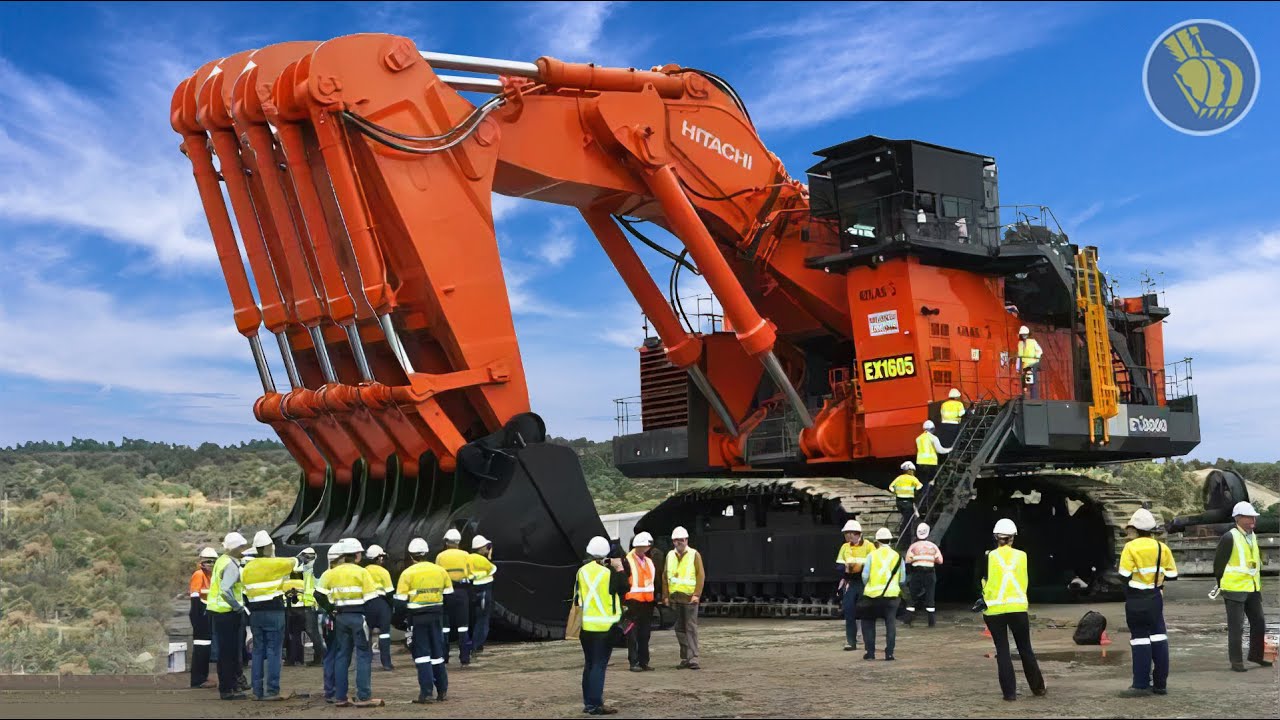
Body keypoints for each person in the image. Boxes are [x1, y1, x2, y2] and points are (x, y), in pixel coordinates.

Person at [980, 518, 1046, 701]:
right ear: (1013, 538)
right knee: (1025, 649)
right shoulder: (1022, 556)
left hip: (994, 610)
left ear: (995, 537)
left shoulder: (989, 556)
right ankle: (1038, 688)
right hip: (1017, 607)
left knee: (1002, 651)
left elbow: (983, 580)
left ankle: (1009, 694)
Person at [315, 538, 382, 707]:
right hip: (359, 617)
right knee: (363, 656)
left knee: (341, 656)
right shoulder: (362, 573)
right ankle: (364, 696)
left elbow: (318, 595)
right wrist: (373, 622)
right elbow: (372, 601)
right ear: (357, 555)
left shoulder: (332, 573)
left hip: (340, 618)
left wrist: (331, 609)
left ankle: (340, 697)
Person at [1117, 508, 1178, 697]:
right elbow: (1172, 575)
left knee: (1140, 640)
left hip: (1136, 599)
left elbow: (1124, 575)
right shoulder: (1162, 548)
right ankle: (1160, 684)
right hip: (1155, 597)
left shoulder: (1130, 547)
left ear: (1134, 528)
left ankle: (1140, 684)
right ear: (1152, 529)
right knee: (1159, 638)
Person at [242, 530, 305, 701]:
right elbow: (299, 560)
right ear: (269, 547)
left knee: (257, 651)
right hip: (274, 613)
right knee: (274, 652)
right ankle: (272, 690)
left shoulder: (247, 568)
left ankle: (257, 690)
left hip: (255, 614)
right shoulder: (276, 564)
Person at [1215, 501, 1272, 672]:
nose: (1253, 520)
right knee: (1236, 626)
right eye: (1249, 517)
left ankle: (1256, 656)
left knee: (1259, 622)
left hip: (1252, 588)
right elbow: (1218, 565)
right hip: (1234, 589)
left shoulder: (1252, 535)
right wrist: (1222, 585)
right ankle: (1236, 661)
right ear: (1238, 518)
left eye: (1254, 517)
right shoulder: (1229, 537)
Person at [395, 537, 453, 704]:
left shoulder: (407, 574)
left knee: (422, 656)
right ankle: (442, 691)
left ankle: (426, 693)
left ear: (411, 555)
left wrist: (400, 621)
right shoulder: (440, 571)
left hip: (417, 618)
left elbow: (399, 603)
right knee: (437, 654)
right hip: (436, 616)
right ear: (427, 553)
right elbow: (449, 597)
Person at [577, 536, 627, 715]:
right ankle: (595, 705)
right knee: (599, 665)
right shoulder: (609, 573)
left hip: (587, 627)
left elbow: (578, 597)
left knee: (589, 665)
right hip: (605, 628)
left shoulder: (581, 571)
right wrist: (619, 567)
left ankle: (588, 703)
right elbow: (624, 588)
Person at [207, 532, 249, 700]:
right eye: (241, 547)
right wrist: (237, 606)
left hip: (219, 612)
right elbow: (226, 590)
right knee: (229, 654)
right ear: (235, 547)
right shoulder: (231, 564)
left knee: (225, 653)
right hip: (228, 613)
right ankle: (228, 689)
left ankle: (228, 687)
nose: (243, 550)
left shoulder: (221, 561)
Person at [860, 527, 905, 661]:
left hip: (872, 596)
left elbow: (865, 576)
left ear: (876, 542)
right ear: (890, 541)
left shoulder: (871, 556)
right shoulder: (897, 556)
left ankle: (870, 652)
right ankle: (889, 653)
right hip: (892, 597)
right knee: (890, 624)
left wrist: (870, 586)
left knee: (868, 622)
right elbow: (902, 579)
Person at [664, 526, 705, 670]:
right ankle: (685, 658)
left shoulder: (694, 555)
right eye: (675, 541)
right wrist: (666, 596)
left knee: (691, 628)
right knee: (680, 629)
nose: (677, 543)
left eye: (680, 540)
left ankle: (693, 658)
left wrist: (696, 595)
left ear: (686, 540)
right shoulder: (670, 555)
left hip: (689, 599)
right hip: (676, 598)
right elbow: (665, 576)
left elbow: (700, 575)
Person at [436, 528, 474, 665]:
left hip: (446, 593)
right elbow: (471, 575)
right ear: (459, 542)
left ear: (446, 542)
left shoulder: (440, 556)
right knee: (463, 626)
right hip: (462, 592)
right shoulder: (466, 555)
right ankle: (464, 658)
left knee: (445, 626)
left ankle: (444, 656)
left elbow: (438, 574)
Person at [622, 532, 658, 671]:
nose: (646, 549)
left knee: (645, 634)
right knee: (632, 634)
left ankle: (644, 661)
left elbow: (653, 581)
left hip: (647, 602)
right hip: (632, 603)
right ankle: (634, 662)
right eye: (644, 546)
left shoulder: (649, 561)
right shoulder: (627, 560)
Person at [835, 520, 873, 651]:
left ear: (856, 534)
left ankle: (868, 642)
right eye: (845, 534)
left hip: (864, 583)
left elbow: (872, 565)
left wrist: (854, 566)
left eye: (848, 533)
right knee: (849, 611)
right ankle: (851, 642)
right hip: (850, 582)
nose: (846, 536)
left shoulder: (869, 546)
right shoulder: (845, 547)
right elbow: (839, 566)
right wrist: (846, 568)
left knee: (865, 613)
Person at [188, 547, 218, 689]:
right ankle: (198, 679)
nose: (211, 564)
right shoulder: (199, 575)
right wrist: (197, 617)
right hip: (200, 613)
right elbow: (195, 596)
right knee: (201, 647)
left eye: (213, 561)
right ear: (201, 562)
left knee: (205, 648)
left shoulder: (212, 576)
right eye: (208, 561)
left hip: (206, 612)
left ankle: (202, 677)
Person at [904, 522, 943, 628]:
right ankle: (931, 622)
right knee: (930, 596)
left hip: (917, 573)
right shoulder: (933, 546)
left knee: (912, 596)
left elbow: (907, 560)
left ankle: (908, 620)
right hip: (930, 573)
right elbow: (940, 561)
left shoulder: (913, 547)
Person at [363, 544, 396, 671]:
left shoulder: (363, 571)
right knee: (384, 634)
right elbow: (389, 592)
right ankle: (386, 663)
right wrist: (391, 607)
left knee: (367, 633)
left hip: (366, 603)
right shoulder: (383, 572)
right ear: (379, 558)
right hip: (381, 603)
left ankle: (366, 661)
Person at [468, 535, 497, 658]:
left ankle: (471, 643)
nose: (488, 548)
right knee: (483, 619)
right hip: (484, 590)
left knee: (473, 618)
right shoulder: (483, 560)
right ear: (481, 549)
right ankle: (477, 645)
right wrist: (489, 557)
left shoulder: (467, 558)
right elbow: (493, 569)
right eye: (487, 547)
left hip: (472, 590)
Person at [298, 548, 324, 666]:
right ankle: (319, 656)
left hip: (314, 606)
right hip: (308, 605)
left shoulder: (316, 570)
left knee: (314, 631)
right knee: (313, 631)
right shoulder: (305, 570)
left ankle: (321, 656)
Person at [890, 462, 925, 536]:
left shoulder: (899, 478)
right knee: (909, 520)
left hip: (899, 502)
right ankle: (906, 535)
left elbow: (891, 487)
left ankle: (905, 533)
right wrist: (915, 490)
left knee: (906, 517)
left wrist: (896, 492)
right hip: (908, 502)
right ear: (910, 470)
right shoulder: (913, 478)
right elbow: (920, 486)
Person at [915, 421, 951, 490]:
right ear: (933, 429)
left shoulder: (918, 438)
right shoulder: (933, 438)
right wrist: (949, 450)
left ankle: (923, 497)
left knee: (923, 482)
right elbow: (940, 450)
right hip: (931, 463)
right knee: (931, 483)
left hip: (920, 463)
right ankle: (929, 497)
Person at [282, 571, 307, 666]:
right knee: (298, 636)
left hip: (288, 611)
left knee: (290, 636)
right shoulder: (303, 584)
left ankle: (290, 659)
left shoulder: (284, 584)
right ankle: (300, 659)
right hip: (301, 611)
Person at [1015, 326, 1043, 399]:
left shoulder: (1032, 342)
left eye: (1025, 334)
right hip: (1025, 365)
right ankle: (1025, 396)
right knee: (1024, 380)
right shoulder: (1020, 344)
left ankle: (1033, 398)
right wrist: (1017, 367)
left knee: (1031, 381)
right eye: (1023, 334)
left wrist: (1036, 359)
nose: (1024, 336)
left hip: (1032, 364)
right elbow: (1019, 356)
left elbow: (1040, 351)